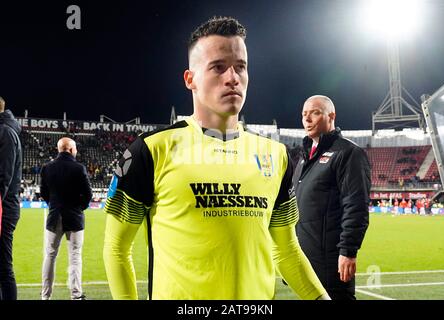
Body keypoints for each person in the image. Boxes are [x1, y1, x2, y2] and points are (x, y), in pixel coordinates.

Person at [103, 16, 329, 300]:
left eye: (241, 67)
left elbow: (287, 251)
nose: (233, 77)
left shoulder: (276, 155)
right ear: (190, 79)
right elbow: (116, 248)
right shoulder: (148, 150)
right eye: (218, 67)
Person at [292, 95, 371, 300]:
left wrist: (348, 251)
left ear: (331, 116)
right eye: (304, 114)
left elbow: (355, 205)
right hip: (305, 258)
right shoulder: (304, 157)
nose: (307, 120)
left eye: (315, 113)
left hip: (330, 259)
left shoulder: (348, 153)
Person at [40, 137, 92, 300]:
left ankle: (45, 296)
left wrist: (54, 205)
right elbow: (88, 194)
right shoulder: (79, 168)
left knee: (50, 255)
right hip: (75, 218)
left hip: (54, 217)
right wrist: (79, 207)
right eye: (75, 149)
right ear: (70, 149)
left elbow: (43, 193)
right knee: (75, 257)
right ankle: (76, 295)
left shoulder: (47, 168)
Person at [0, 96, 22, 300]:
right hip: (4, 206)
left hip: (4, 209)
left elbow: (3, 177)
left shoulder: (5, 132)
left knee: (3, 267)